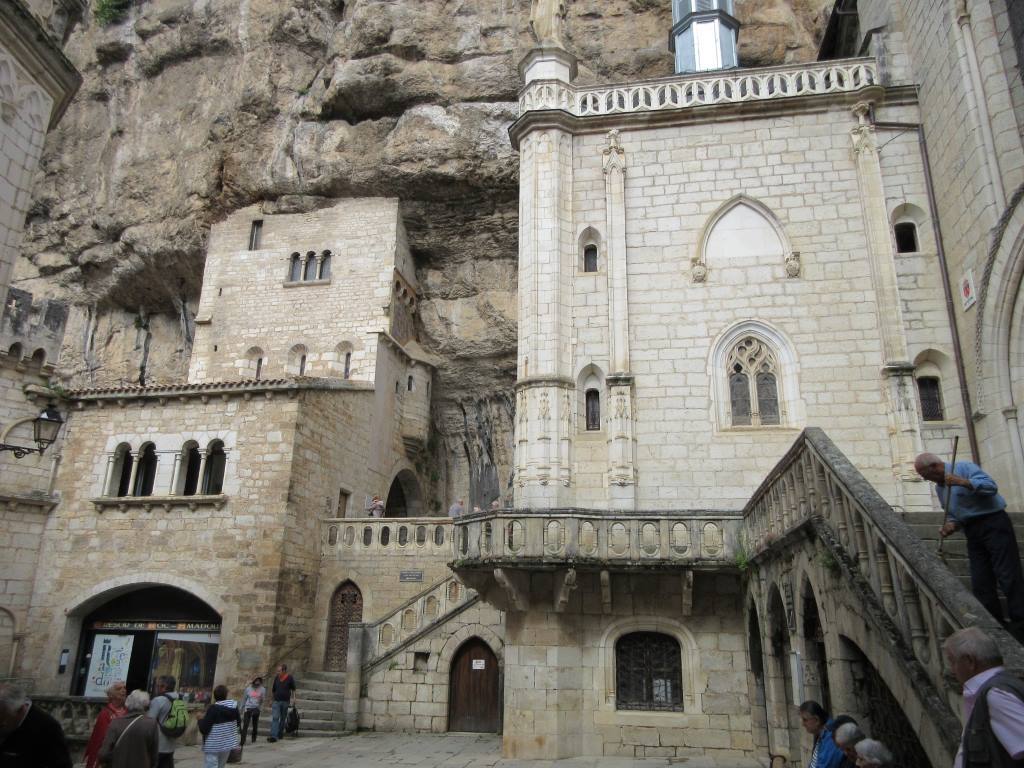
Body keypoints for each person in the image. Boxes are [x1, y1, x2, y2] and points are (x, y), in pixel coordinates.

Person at [914, 453, 1024, 641]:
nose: (926, 479)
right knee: (981, 580)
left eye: (925, 475)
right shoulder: (940, 489)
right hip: (972, 531)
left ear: (934, 466)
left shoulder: (964, 468)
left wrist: (963, 482)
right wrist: (951, 525)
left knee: (1007, 574)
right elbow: (954, 514)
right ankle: (995, 626)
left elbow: (991, 487)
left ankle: (1021, 624)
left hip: (993, 522)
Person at [944, 626, 1024, 767]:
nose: (952, 670)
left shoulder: (996, 694)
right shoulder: (991, 690)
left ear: (970, 661)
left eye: (952, 661)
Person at [0, 681, 72, 767]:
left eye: (4, 718)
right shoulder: (9, 718)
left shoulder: (48, 728)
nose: (2, 724)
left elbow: (62, 764)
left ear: (21, 710)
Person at [98, 689, 159, 768]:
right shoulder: (151, 724)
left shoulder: (115, 723)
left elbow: (103, 754)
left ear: (128, 704)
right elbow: (154, 755)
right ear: (145, 705)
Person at [84, 680, 128, 768]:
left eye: (124, 688)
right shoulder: (105, 714)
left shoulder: (129, 712)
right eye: (119, 689)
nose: (123, 690)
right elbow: (100, 739)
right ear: (112, 694)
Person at [198, 685, 240, 768]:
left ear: (214, 696)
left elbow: (204, 729)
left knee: (211, 765)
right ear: (226, 695)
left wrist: (199, 720)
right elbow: (238, 723)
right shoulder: (234, 707)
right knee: (221, 765)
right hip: (227, 744)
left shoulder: (213, 709)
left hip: (213, 745)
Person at [798, 700, 844, 768]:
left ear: (817, 720)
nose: (802, 724)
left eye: (805, 720)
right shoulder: (820, 732)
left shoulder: (832, 737)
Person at [148, 675, 181, 768]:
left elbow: (150, 722)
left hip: (158, 744)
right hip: (171, 744)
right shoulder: (179, 698)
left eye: (158, 686)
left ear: (163, 687)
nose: (157, 688)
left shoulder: (158, 700)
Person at [268, 664, 296, 743]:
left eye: (279, 671)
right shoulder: (276, 678)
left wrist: (294, 698)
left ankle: (280, 733)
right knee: (275, 718)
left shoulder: (289, 678)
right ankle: (273, 736)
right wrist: (271, 700)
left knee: (283, 719)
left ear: (284, 671)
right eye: (277, 671)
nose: (277, 672)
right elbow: (273, 690)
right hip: (276, 701)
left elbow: (293, 689)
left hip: (285, 702)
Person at [240, 676, 265, 745]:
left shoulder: (262, 689)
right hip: (248, 708)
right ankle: (242, 740)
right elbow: (244, 699)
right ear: (254, 681)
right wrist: (241, 708)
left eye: (259, 681)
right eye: (256, 681)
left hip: (256, 708)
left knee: (255, 724)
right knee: (245, 724)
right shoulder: (248, 689)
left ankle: (254, 738)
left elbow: (263, 700)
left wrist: (260, 708)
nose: (257, 682)